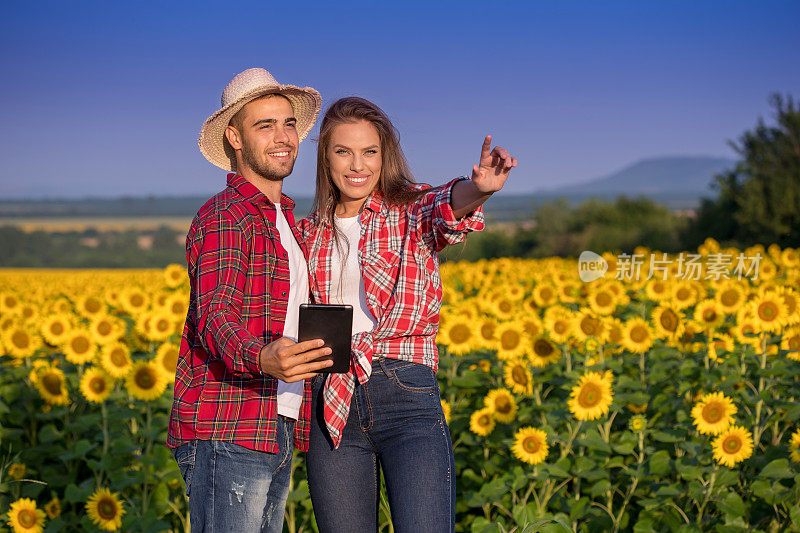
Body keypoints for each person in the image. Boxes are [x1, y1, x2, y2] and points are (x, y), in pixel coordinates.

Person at [300, 97, 517, 532]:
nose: (357, 165)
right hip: (331, 397)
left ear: (385, 156)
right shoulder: (307, 231)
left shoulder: (410, 210)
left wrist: (480, 189)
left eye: (369, 152)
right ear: (326, 157)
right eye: (343, 151)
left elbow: (447, 205)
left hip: (405, 391)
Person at [166, 68, 335, 533]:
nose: (283, 137)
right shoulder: (228, 215)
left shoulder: (287, 222)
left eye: (288, 124)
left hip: (275, 419)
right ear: (235, 138)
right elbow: (214, 313)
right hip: (229, 422)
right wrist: (262, 356)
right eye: (265, 126)